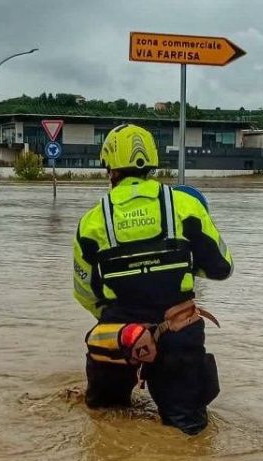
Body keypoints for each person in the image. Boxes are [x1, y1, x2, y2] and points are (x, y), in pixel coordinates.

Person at [73, 124, 233, 435]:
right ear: (154, 160)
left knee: (106, 424)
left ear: (109, 166)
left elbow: (85, 291)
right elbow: (221, 268)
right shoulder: (187, 206)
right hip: (179, 333)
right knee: (188, 431)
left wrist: (115, 320)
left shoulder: (91, 222)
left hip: (118, 336)